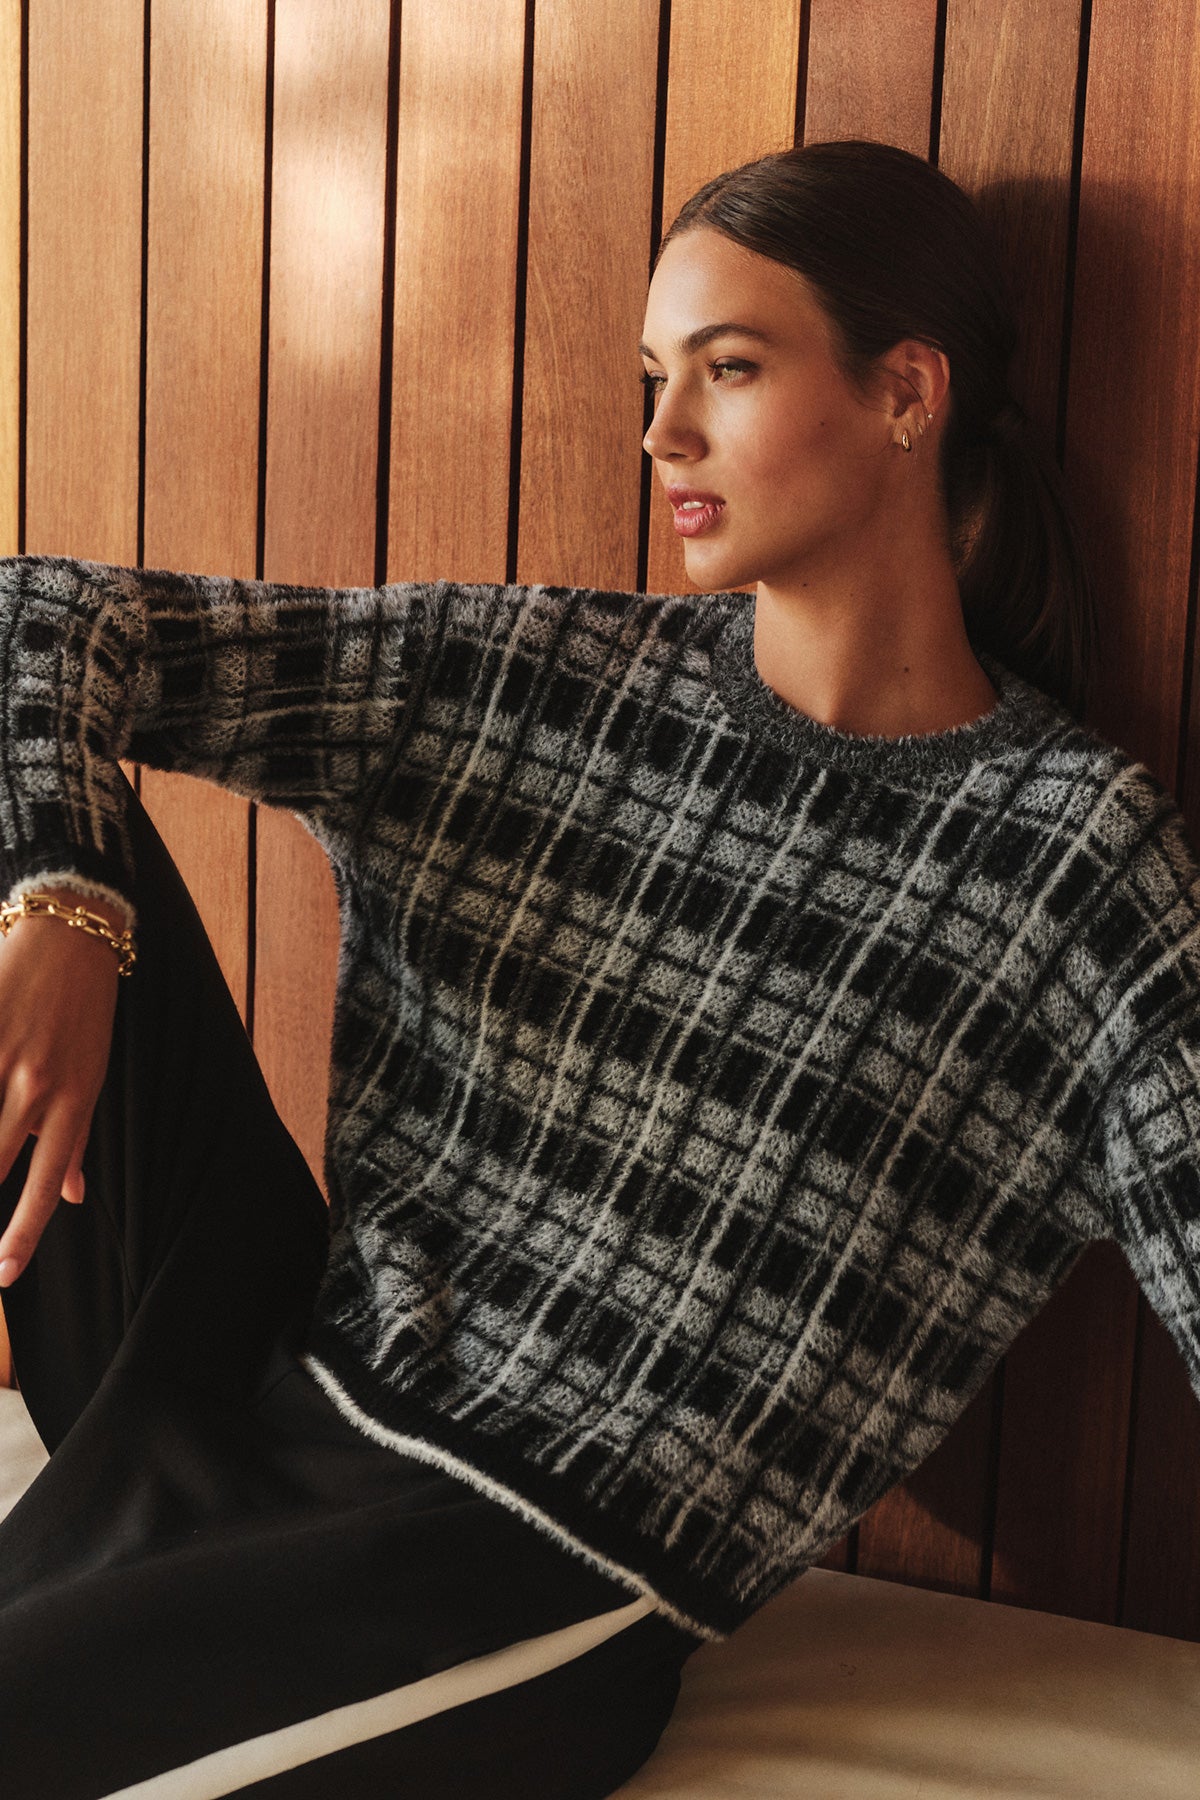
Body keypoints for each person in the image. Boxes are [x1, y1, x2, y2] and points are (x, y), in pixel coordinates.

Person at [0, 138, 1197, 1798]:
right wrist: (66, 899)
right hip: (265, 1349)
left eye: (730, 367)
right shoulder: (532, 677)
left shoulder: (1071, 870)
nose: (662, 436)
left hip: (517, 1548)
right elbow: (37, 617)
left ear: (907, 393)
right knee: (31, 802)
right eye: (652, 375)